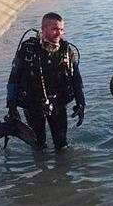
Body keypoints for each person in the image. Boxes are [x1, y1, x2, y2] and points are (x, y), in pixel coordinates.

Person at [6, 13, 85, 151]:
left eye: (61, 29)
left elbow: (76, 79)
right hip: (32, 104)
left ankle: (60, 171)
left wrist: (81, 103)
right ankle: (40, 167)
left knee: (62, 145)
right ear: (43, 29)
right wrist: (12, 107)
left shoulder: (66, 51)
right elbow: (13, 79)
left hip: (58, 103)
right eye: (54, 29)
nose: (58, 33)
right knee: (38, 145)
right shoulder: (28, 50)